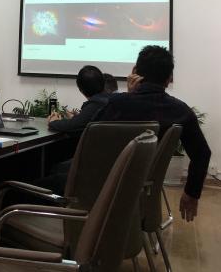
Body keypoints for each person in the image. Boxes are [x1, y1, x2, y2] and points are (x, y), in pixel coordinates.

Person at [95, 45, 211, 222]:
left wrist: (129, 95)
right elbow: (202, 153)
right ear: (169, 79)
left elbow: (90, 133)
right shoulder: (181, 111)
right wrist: (192, 193)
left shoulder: (117, 104)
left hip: (107, 180)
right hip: (147, 182)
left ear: (135, 72)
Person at [40, 65, 110, 193]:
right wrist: (77, 118)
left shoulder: (96, 104)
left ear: (80, 89)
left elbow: (71, 126)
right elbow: (82, 122)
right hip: (105, 168)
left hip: (90, 169)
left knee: (54, 170)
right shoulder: (108, 100)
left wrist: (54, 122)